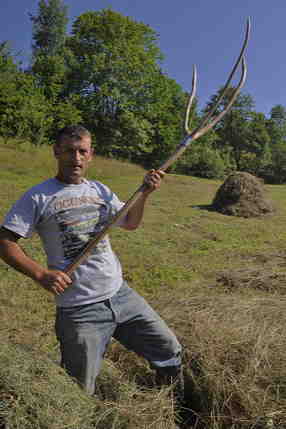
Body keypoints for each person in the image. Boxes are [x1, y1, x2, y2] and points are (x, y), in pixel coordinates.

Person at [0, 125, 183, 398]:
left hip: (120, 295)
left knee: (169, 351)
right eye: (69, 151)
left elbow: (130, 223)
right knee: (79, 390)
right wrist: (40, 274)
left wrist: (145, 193)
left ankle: (169, 404)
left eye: (82, 151)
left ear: (90, 155)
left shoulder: (100, 190)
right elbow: (5, 241)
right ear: (56, 151)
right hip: (79, 310)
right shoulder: (38, 196)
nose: (76, 158)